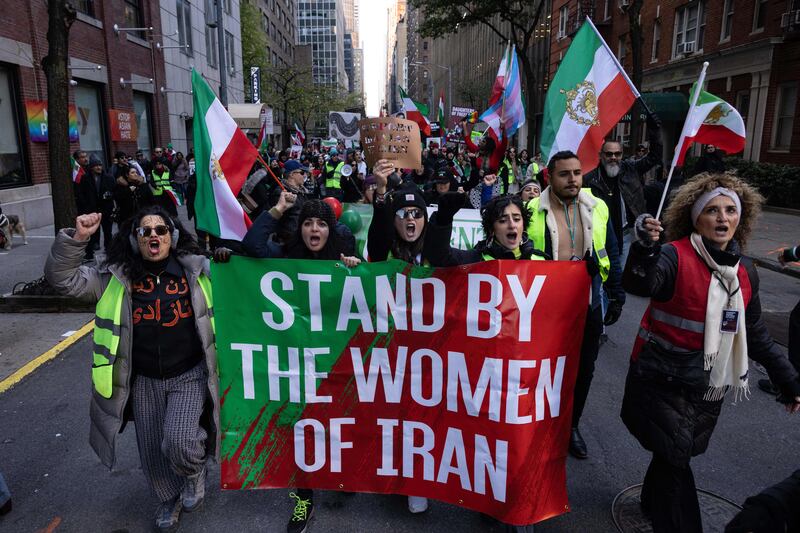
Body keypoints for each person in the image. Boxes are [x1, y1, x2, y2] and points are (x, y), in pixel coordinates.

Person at [621, 172, 800, 533]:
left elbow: (756, 333)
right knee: (676, 462)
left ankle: (648, 502)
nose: (722, 218)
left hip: (708, 388)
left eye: (730, 210)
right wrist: (643, 247)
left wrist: (788, 378)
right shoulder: (673, 255)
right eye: (712, 210)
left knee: (674, 454)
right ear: (694, 217)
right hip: (660, 381)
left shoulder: (745, 270)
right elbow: (639, 283)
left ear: (742, 217)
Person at [45, 206, 222, 532]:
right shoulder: (112, 277)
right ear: (134, 238)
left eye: (161, 230)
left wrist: (229, 254)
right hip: (143, 380)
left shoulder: (198, 272)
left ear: (173, 236)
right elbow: (63, 280)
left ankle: (194, 471)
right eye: (146, 231)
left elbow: (247, 283)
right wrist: (77, 239)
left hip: (189, 374)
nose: (154, 235)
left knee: (181, 442)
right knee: (153, 453)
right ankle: (167, 498)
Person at [526, 150, 624, 459]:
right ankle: (538, 427)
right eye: (564, 174)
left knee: (583, 370)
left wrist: (617, 292)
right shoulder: (530, 209)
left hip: (588, 304)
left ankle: (571, 426)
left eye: (577, 173)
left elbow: (612, 250)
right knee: (542, 371)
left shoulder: (598, 207)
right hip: (545, 308)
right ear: (550, 177)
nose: (572, 180)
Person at [585, 113, 662, 262]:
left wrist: (654, 131)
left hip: (627, 234)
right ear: (601, 156)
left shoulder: (630, 169)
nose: (613, 157)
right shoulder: (590, 180)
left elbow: (655, 157)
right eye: (609, 154)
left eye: (617, 154)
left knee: (621, 276)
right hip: (601, 236)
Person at [75, 155, 116, 260]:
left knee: (108, 232)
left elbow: (114, 191)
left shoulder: (109, 178)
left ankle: (109, 252)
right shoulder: (85, 178)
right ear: (91, 167)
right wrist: (85, 206)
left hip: (106, 209)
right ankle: (89, 253)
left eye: (100, 165)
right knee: (91, 233)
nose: (99, 167)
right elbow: (80, 193)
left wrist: (110, 196)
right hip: (91, 210)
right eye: (96, 165)